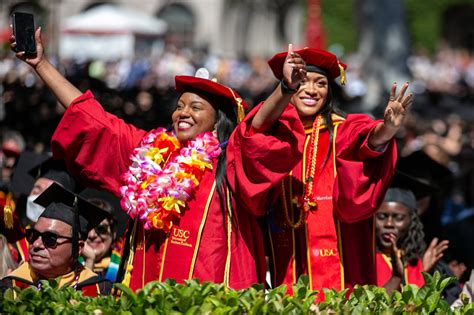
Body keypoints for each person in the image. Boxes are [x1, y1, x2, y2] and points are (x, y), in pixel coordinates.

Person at [10, 28, 298, 290]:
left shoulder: (231, 159)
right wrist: (41, 65)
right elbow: (93, 119)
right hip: (145, 297)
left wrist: (283, 89)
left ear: (216, 121)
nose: (183, 113)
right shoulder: (148, 154)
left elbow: (255, 129)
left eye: (196, 107)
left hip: (209, 300)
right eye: (179, 106)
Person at [228, 45, 411, 296]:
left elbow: (367, 141)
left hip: (339, 265)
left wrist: (388, 129)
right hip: (287, 255)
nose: (312, 90)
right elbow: (253, 133)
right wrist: (286, 85)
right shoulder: (276, 136)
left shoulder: (341, 131)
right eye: (303, 82)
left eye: (321, 83)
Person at [0, 182, 111, 296]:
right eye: (33, 235)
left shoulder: (101, 291)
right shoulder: (9, 288)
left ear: (78, 248)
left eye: (50, 238)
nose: (36, 244)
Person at [374, 171, 449, 293]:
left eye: (398, 217)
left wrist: (426, 274)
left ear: (412, 221)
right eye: (382, 216)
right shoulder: (362, 262)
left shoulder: (418, 262)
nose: (389, 224)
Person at [79, 189, 124, 283]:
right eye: (87, 228)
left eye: (101, 229)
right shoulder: (67, 267)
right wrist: (89, 261)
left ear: (113, 233)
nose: (92, 235)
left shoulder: (124, 270)